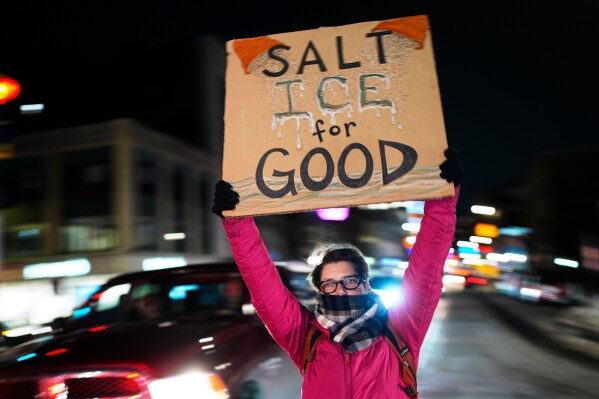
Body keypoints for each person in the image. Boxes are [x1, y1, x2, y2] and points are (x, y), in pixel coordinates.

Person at [211, 148, 465, 399]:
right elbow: (262, 283)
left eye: (349, 281)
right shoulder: (305, 338)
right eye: (330, 284)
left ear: (366, 285)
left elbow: (426, 270)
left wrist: (443, 198)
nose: (340, 290)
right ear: (320, 290)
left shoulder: (401, 328)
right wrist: (237, 222)